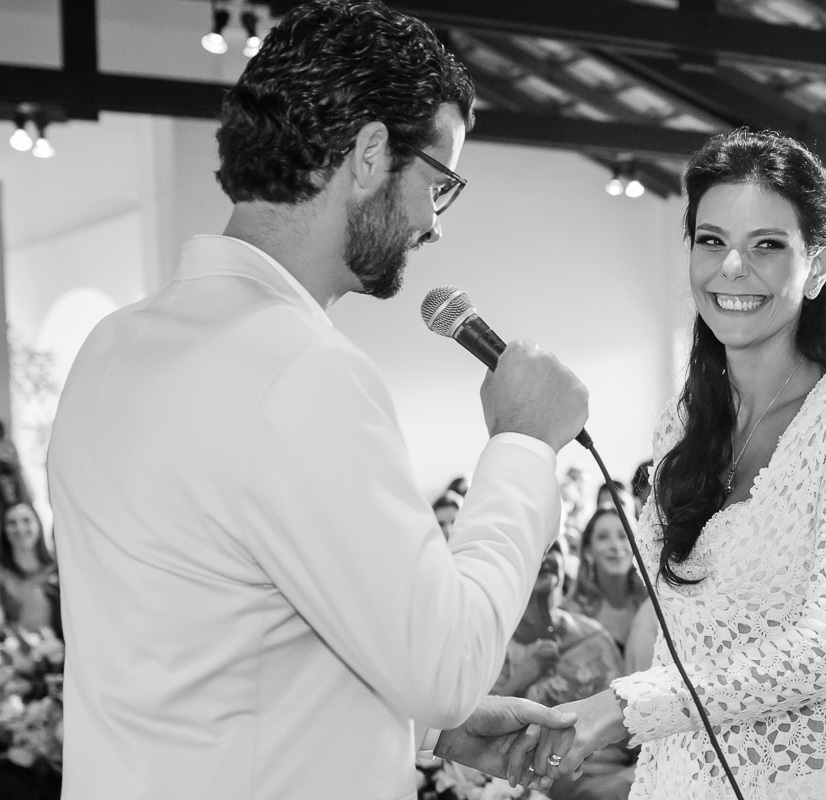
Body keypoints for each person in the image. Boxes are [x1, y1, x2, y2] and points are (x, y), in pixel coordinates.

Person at [45, 4, 588, 799]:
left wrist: (420, 727)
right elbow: (446, 663)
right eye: (438, 183)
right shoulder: (301, 369)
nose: (432, 225)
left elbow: (195, 650)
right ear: (371, 155)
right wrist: (523, 445)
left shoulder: (112, 346)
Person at [549, 128, 826, 798]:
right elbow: (682, 639)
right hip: (682, 780)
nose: (732, 266)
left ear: (815, 266)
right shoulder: (684, 423)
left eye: (767, 246)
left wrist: (624, 706)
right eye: (711, 240)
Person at [493, 537, 635, 800]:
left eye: (553, 548)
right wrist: (522, 678)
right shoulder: (491, 643)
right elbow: (475, 725)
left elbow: (630, 714)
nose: (545, 557)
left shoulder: (593, 635)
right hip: (543, 779)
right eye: (534, 548)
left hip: (618, 770)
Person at [564, 507, 648, 657]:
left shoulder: (651, 606)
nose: (615, 546)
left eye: (623, 536)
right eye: (603, 537)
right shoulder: (572, 616)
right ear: (588, 551)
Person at [0, 502, 57, 632]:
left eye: (26, 520)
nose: (20, 528)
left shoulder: (56, 569)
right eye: (12, 523)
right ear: (4, 530)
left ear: (38, 524)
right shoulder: (2, 573)